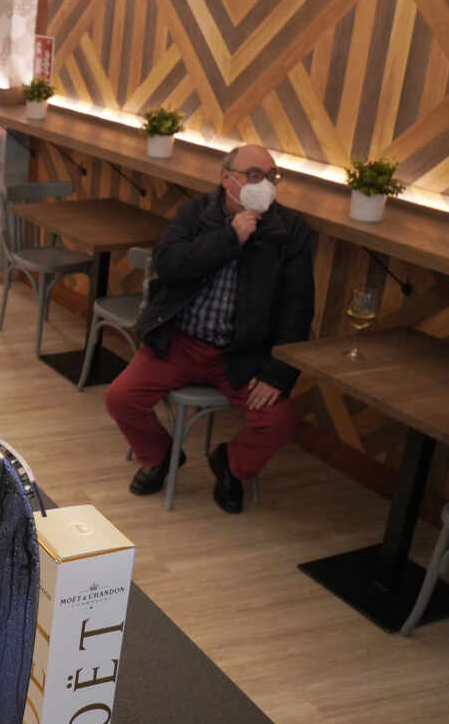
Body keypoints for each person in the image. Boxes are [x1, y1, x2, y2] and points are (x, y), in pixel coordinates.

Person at [104, 143, 314, 514]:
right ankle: (160, 457)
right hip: (179, 342)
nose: (263, 183)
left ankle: (231, 466)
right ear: (226, 177)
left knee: (278, 421)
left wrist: (278, 373)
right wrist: (230, 238)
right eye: (253, 175)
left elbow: (297, 308)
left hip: (240, 356)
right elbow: (169, 266)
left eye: (271, 177)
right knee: (121, 398)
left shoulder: (289, 231)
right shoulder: (195, 213)